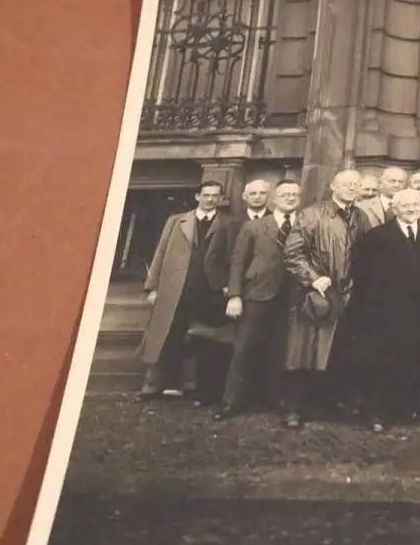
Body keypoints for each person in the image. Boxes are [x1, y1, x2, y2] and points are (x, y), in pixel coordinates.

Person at [281, 168, 372, 428]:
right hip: (316, 294)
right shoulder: (311, 214)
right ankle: (294, 409)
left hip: (347, 294)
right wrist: (313, 278)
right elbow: (293, 253)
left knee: (338, 352)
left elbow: (365, 255)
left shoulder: (361, 216)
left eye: (356, 184)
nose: (351, 188)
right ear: (333, 186)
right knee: (303, 353)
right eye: (346, 184)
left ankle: (329, 405)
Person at [342, 189, 420, 431]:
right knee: (381, 362)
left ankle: (408, 407)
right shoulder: (377, 236)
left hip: (419, 309)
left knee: (412, 358)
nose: (411, 208)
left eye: (415, 204)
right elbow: (363, 273)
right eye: (405, 205)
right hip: (384, 310)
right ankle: (378, 413)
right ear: (394, 208)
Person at [135, 181, 232, 404]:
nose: (210, 199)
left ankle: (192, 387)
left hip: (208, 292)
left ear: (220, 198)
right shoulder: (177, 220)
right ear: (198, 196)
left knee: (198, 340)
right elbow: (160, 253)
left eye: (215, 196)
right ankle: (151, 387)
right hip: (175, 289)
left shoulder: (227, 223)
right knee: (163, 337)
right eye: (206, 195)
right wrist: (153, 287)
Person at [214, 179, 301, 419]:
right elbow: (238, 262)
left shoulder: (305, 224)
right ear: (274, 199)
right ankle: (231, 403)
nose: (291, 198)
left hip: (292, 297)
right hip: (257, 294)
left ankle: (283, 404)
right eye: (285, 195)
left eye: (295, 194)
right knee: (243, 350)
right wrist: (234, 295)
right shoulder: (254, 227)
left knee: (285, 352)